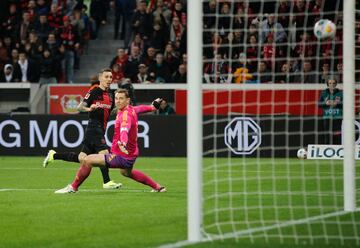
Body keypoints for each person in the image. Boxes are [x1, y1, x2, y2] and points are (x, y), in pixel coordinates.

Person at [51, 89, 166, 193]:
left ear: (128, 100)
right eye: (116, 98)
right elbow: (145, 108)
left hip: (123, 155)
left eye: (121, 98)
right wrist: (154, 106)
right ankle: (157, 187)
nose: (118, 101)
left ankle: (73, 187)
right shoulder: (132, 109)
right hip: (130, 154)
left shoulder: (125, 115)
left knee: (87, 160)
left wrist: (123, 143)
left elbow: (124, 130)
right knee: (126, 173)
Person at [43, 69, 122, 191]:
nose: (109, 79)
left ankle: (54, 155)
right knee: (104, 155)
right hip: (94, 127)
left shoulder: (111, 95)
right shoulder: (95, 91)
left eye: (111, 77)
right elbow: (80, 107)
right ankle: (107, 182)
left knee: (82, 158)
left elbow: (109, 111)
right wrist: (89, 109)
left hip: (101, 128)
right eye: (106, 77)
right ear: (100, 78)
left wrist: (121, 108)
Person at [318, 77, 343, 144]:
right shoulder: (324, 93)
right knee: (327, 135)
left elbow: (345, 104)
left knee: (337, 135)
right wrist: (326, 103)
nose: (332, 85)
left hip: (338, 117)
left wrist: (337, 104)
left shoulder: (341, 93)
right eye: (330, 83)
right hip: (327, 117)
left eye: (333, 83)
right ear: (327, 84)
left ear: (336, 84)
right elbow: (319, 104)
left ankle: (337, 150)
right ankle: (327, 149)